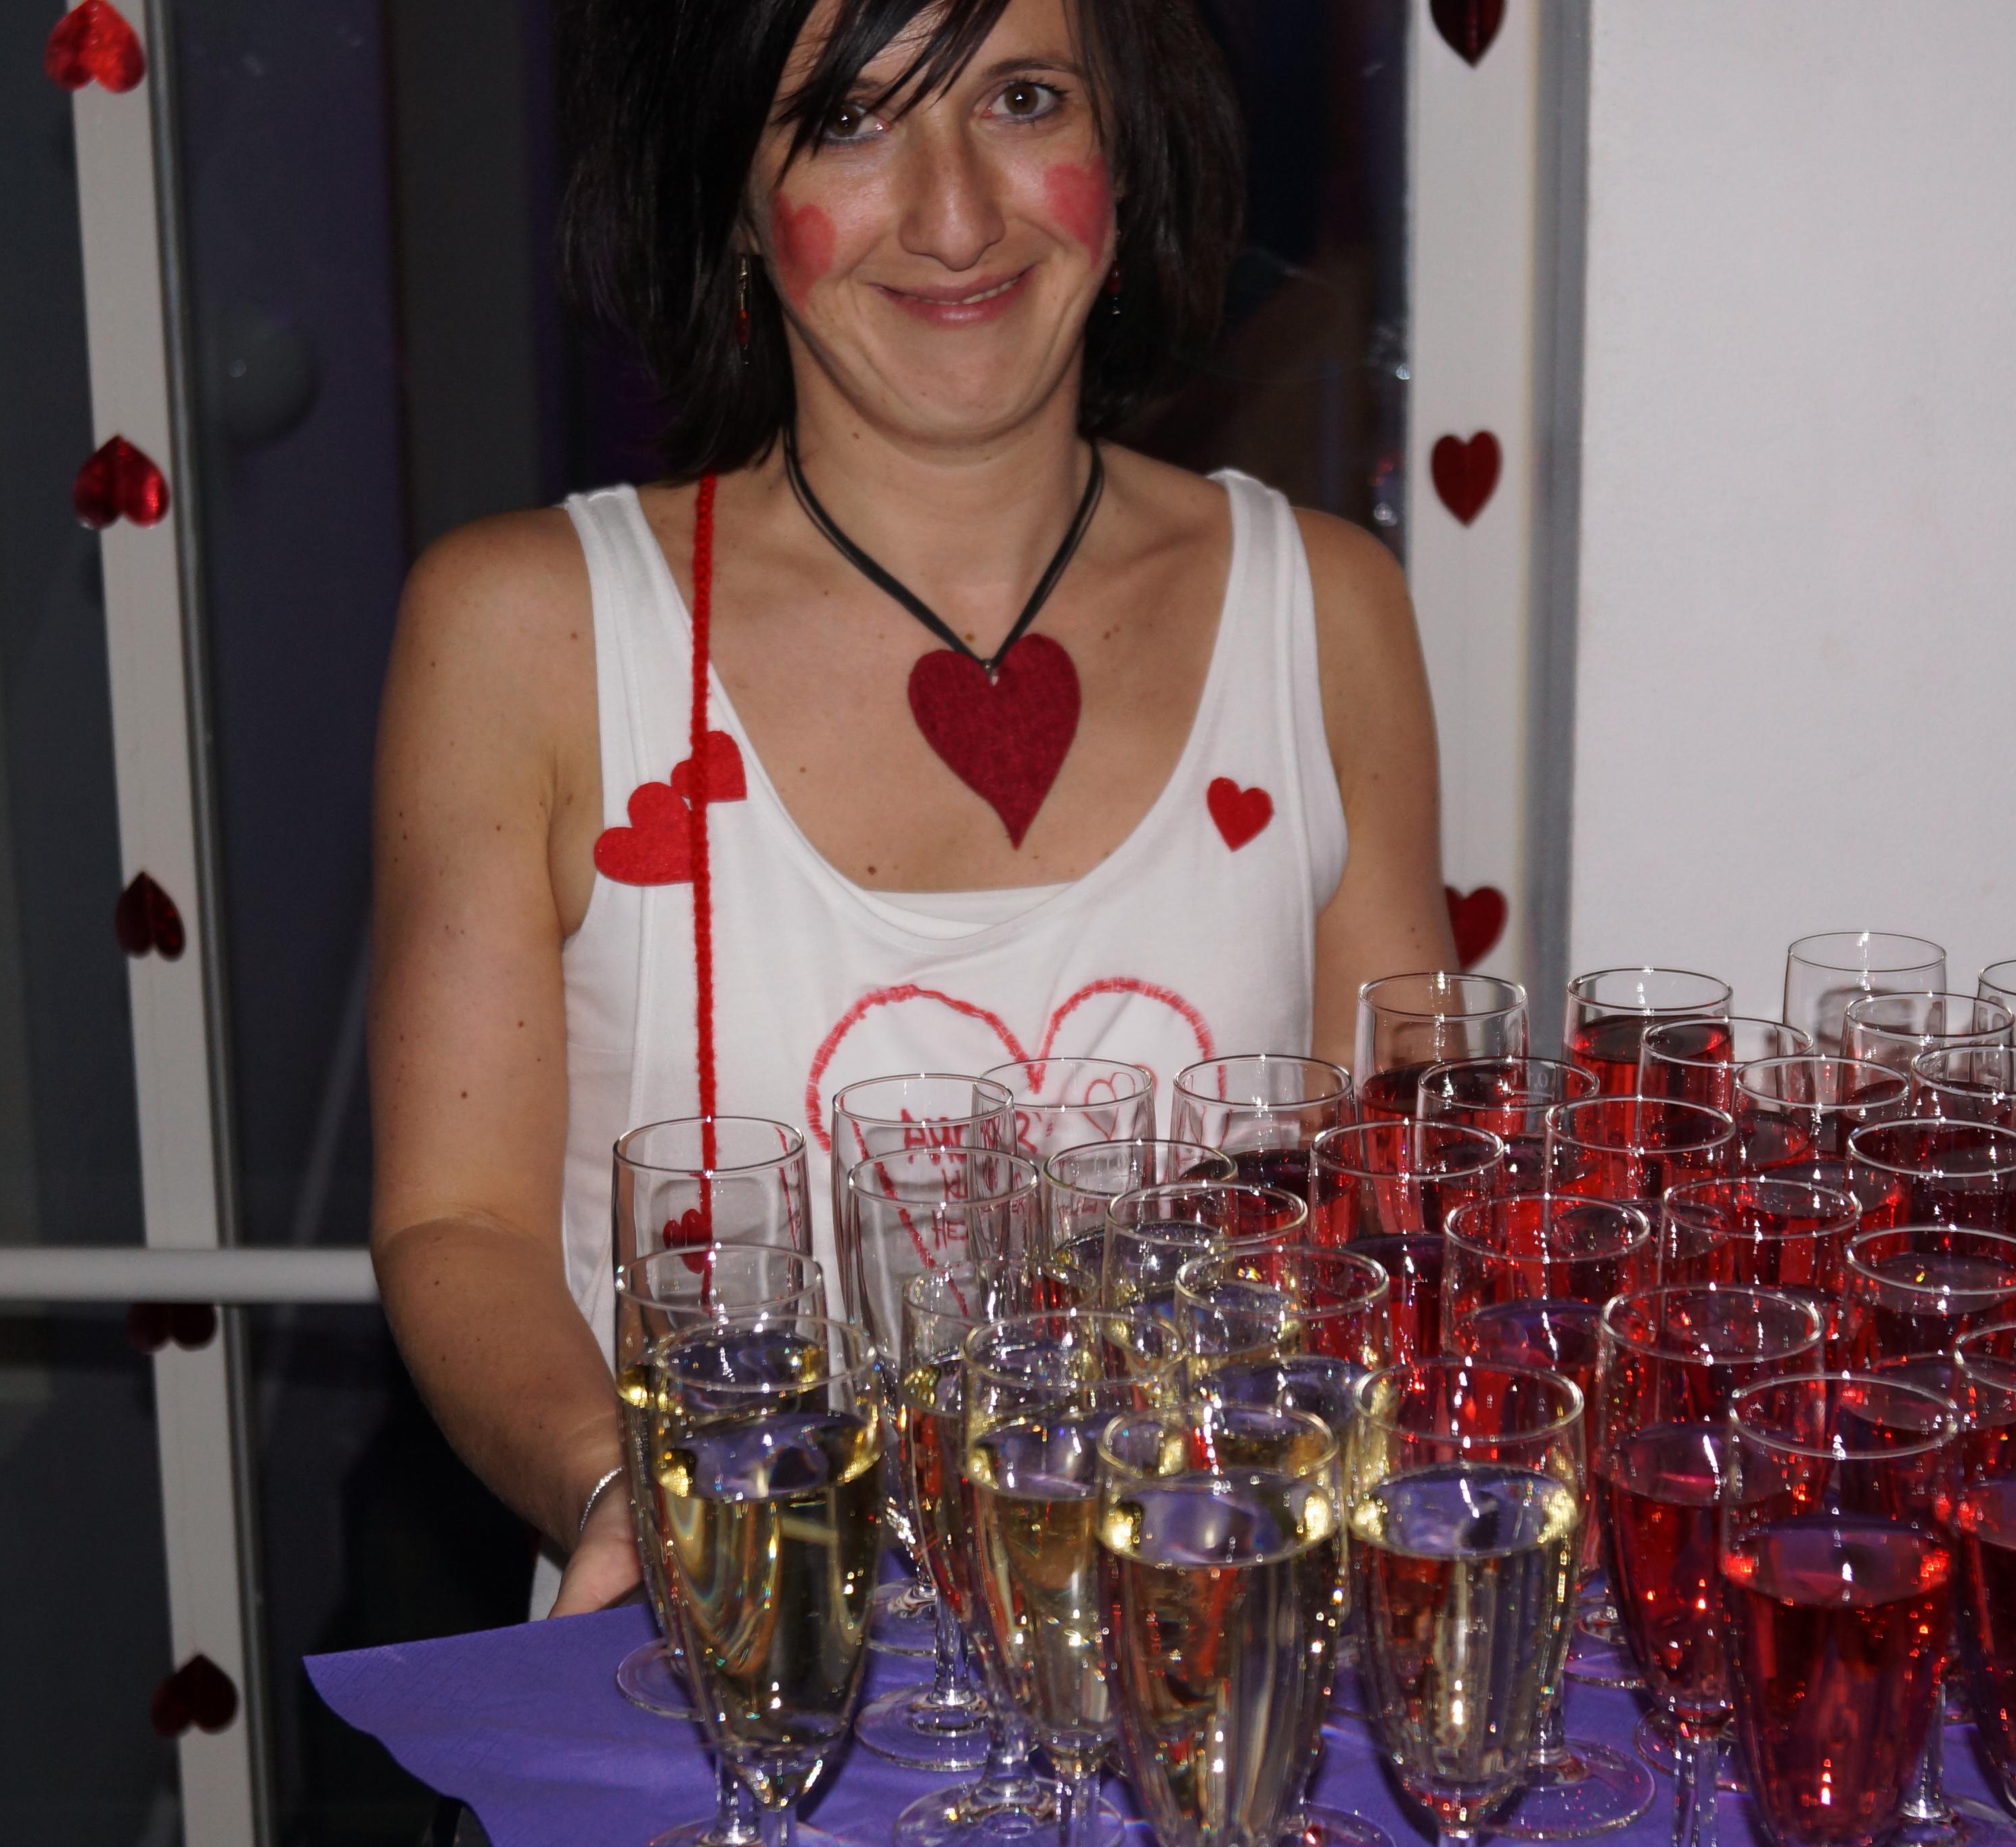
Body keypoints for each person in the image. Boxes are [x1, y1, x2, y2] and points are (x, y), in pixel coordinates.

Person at [366, 0, 1454, 1617]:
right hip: (740, 1649)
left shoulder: (1328, 609)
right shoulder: (525, 628)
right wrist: (625, 1492)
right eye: (847, 122)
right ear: (737, 201)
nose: (953, 216)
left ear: (1126, 150)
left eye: (1022, 100)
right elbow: (461, 1220)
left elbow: (1408, 1188)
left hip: (1215, 1655)